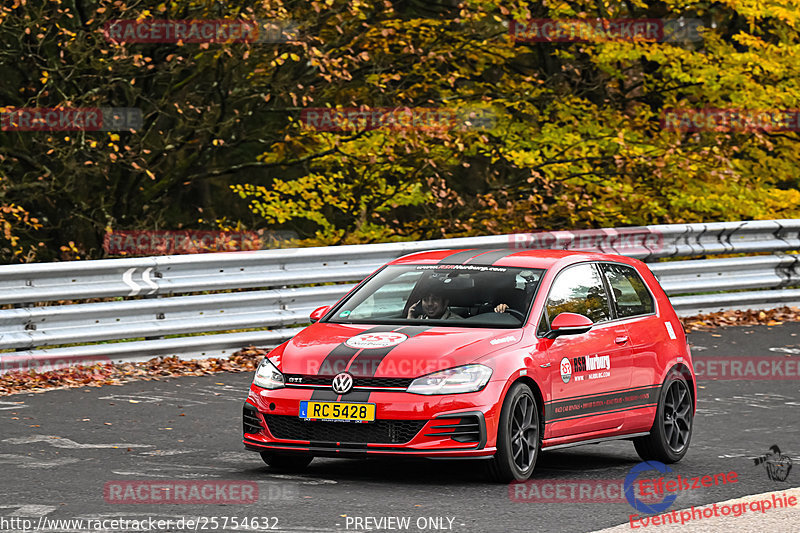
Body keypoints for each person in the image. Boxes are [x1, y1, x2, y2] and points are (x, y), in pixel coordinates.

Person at [407, 289, 510, 319]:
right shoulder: (419, 320)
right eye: (425, 299)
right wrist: (410, 320)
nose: (429, 304)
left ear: (446, 302)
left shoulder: (455, 322)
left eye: (435, 299)